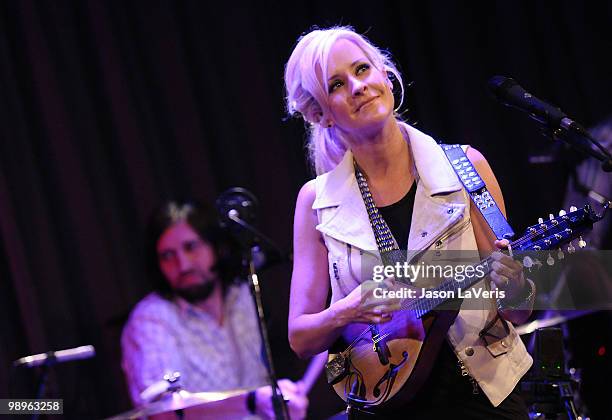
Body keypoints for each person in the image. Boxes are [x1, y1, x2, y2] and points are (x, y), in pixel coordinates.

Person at [284, 26, 536, 418]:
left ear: (385, 75)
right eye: (336, 83)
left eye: (363, 69)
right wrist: (346, 310)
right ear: (320, 114)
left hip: (487, 396)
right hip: (387, 404)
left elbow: (518, 312)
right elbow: (300, 338)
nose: (357, 86)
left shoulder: (466, 167)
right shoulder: (314, 202)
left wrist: (517, 285)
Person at [121, 200, 308, 419]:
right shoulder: (150, 320)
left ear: (217, 248)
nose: (183, 265)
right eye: (168, 256)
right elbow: (164, 412)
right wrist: (252, 401)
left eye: (191, 247)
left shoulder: (244, 296)